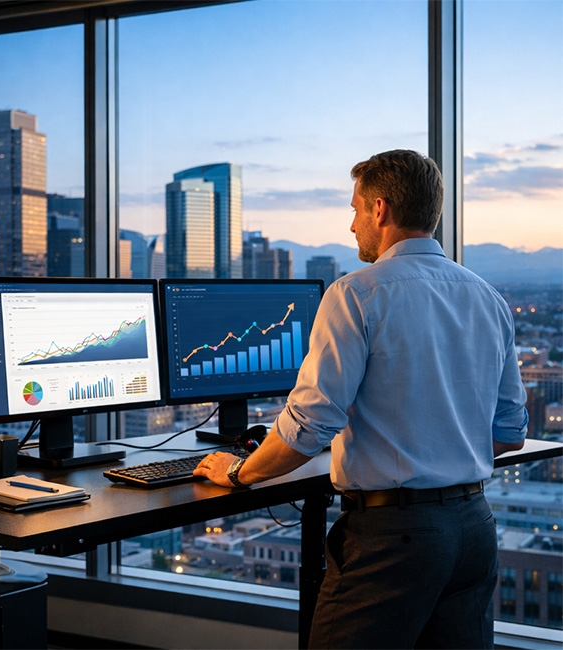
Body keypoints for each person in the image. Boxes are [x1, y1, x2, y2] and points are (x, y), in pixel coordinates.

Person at [194, 149, 528, 649]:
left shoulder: (356, 294)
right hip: (473, 530)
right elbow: (509, 433)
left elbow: (310, 426)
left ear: (380, 209)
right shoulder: (487, 297)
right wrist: (440, 454)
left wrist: (239, 471)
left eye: (354, 210)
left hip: (394, 538)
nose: (351, 227)